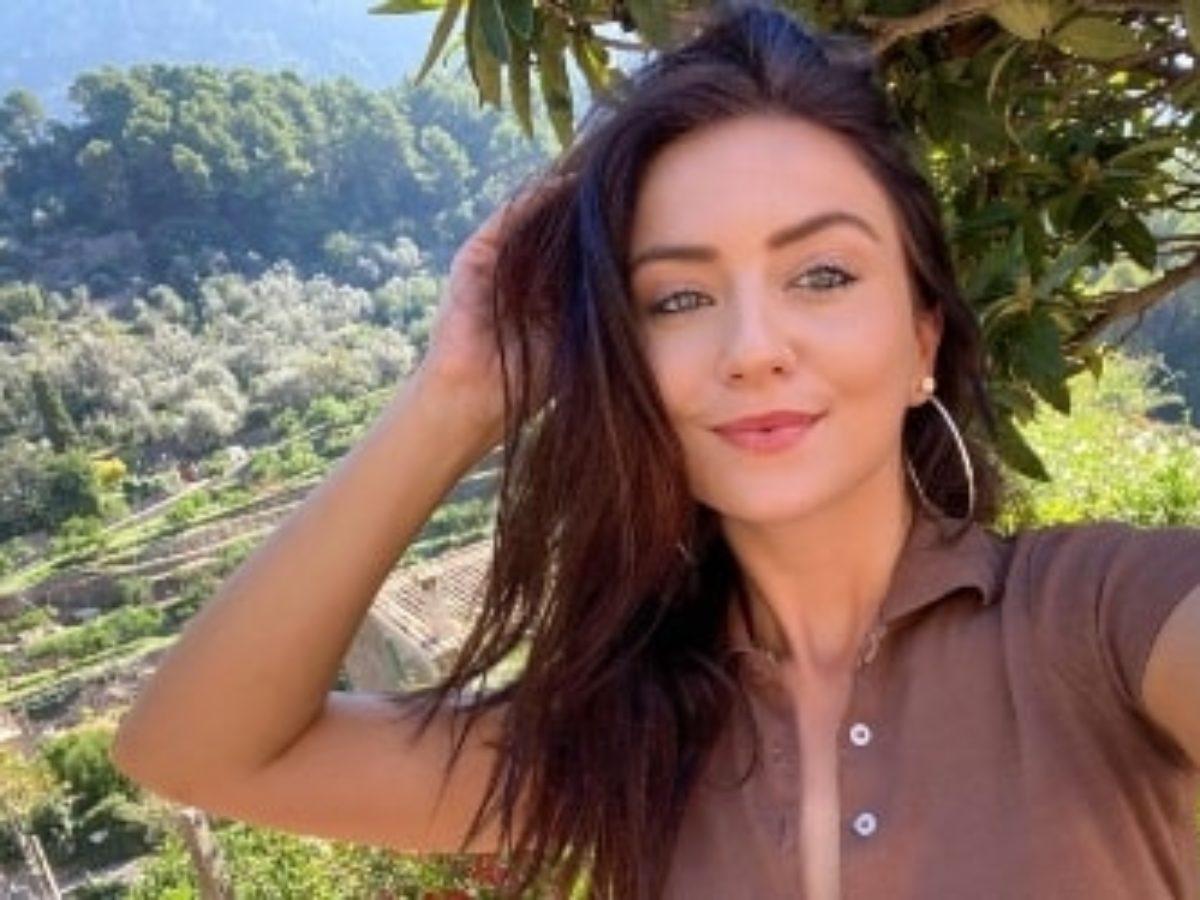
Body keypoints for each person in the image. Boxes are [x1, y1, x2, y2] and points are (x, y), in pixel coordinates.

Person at [111, 4, 1200, 898]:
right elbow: (195, 750)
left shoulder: (1105, 622)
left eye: (822, 274)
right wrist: (456, 398)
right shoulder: (619, 744)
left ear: (923, 340)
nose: (753, 347)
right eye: (677, 298)